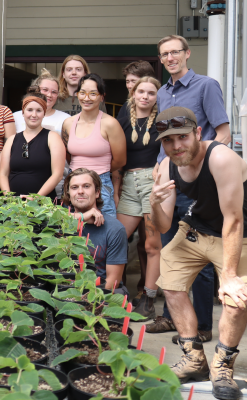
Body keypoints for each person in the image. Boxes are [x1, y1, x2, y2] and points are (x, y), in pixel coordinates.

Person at [150, 106, 247, 400]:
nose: (176, 146)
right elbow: (163, 223)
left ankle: (223, 365)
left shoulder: (221, 158)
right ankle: (195, 360)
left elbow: (234, 219)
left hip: (237, 234)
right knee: (170, 281)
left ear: (197, 133)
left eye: (182, 137)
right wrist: (154, 202)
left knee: (236, 299)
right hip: (195, 229)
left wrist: (228, 277)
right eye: (168, 140)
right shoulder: (167, 165)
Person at [147, 34, 231, 341]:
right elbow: (166, 138)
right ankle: (172, 318)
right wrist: (160, 165)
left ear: (187, 54)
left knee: (201, 255)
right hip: (169, 179)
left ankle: (204, 326)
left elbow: (223, 131)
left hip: (196, 182)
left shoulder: (206, 86)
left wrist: (204, 165)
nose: (170, 58)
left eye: (174, 52)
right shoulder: (162, 92)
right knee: (171, 251)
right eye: (164, 54)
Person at [116, 76, 162, 319]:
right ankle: (115, 290)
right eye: (140, 91)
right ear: (133, 94)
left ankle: (148, 297)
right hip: (128, 184)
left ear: (157, 97)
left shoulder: (162, 122)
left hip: (152, 184)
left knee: (151, 245)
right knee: (117, 238)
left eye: (151, 93)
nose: (145, 96)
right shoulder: (122, 122)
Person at [61, 73, 126, 217]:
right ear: (77, 94)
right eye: (82, 93)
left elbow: (120, 160)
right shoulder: (68, 123)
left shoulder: (111, 124)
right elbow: (67, 155)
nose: (86, 98)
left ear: (102, 96)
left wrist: (98, 171)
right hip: (74, 182)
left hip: (101, 183)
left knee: (104, 229)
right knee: (71, 232)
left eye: (93, 94)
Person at [62, 168, 128, 294]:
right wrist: (82, 217)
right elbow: (44, 217)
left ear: (97, 192)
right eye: (74, 187)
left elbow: (113, 281)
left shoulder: (114, 229)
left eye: (86, 186)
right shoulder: (59, 223)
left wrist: (83, 299)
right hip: (65, 292)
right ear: (68, 195)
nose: (80, 191)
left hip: (99, 293)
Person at [13, 70, 71, 198]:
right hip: (16, 189)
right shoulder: (15, 117)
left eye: (54, 92)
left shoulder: (66, 119)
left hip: (56, 185)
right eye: (45, 90)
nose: (49, 95)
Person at [0, 92, 65, 200]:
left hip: (42, 204)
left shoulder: (53, 138)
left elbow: (57, 175)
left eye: (39, 110)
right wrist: (9, 197)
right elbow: (3, 174)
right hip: (14, 205)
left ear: (44, 113)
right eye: (29, 110)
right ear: (23, 112)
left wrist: (36, 197)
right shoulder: (12, 140)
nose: (34, 115)